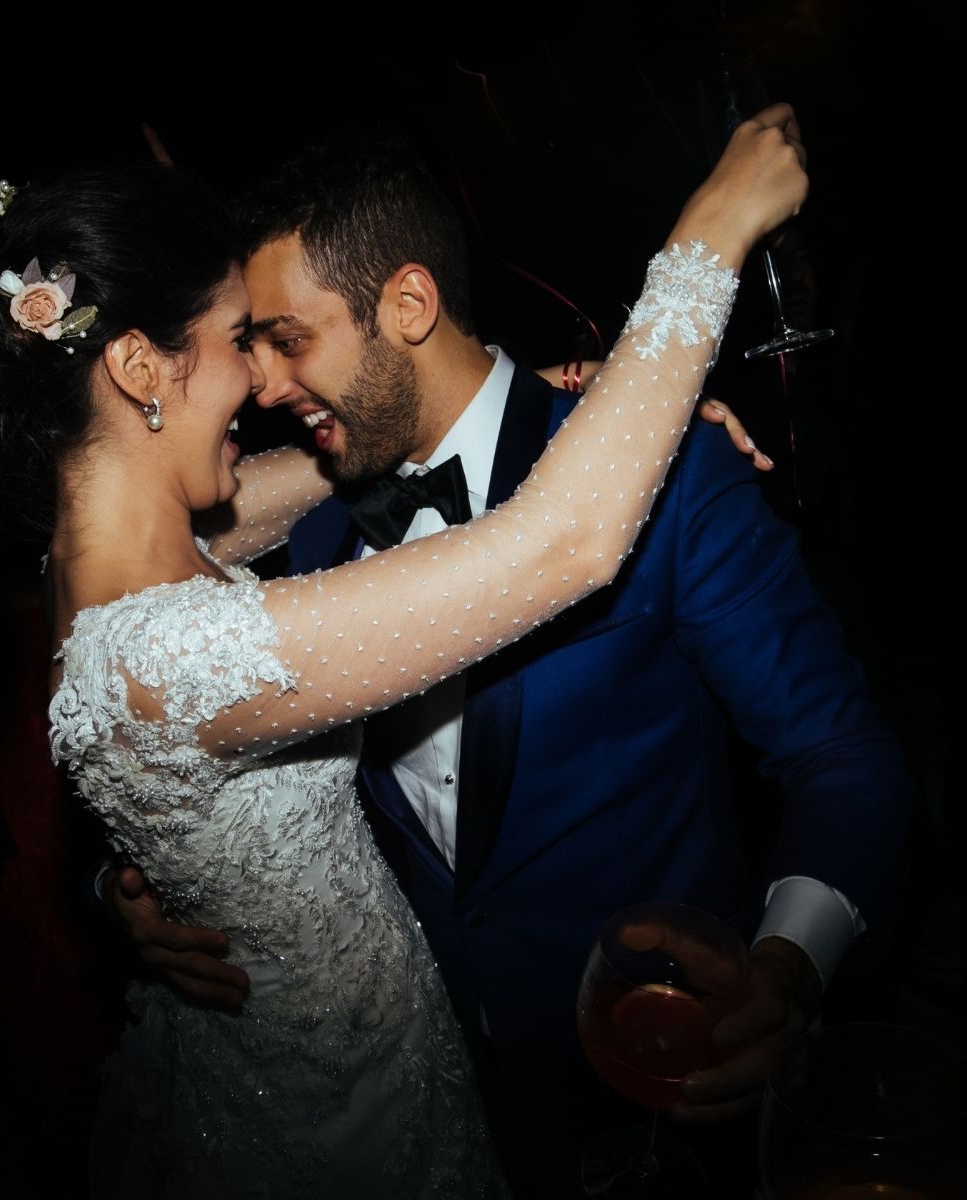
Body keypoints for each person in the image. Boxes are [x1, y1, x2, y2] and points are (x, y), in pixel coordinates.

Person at [0, 108, 806, 1197]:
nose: (262, 381)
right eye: (242, 338)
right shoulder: (166, 650)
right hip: (338, 1125)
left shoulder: (104, 563)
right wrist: (707, 235)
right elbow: (562, 540)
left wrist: (571, 392)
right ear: (141, 366)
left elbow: (362, 465)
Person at [105, 129, 915, 1194]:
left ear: (407, 305)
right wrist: (131, 885)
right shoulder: (301, 535)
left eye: (287, 340)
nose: (262, 386)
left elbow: (842, 753)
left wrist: (789, 962)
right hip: (419, 1105)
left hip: (647, 1074)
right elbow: (142, 707)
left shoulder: (657, 473)